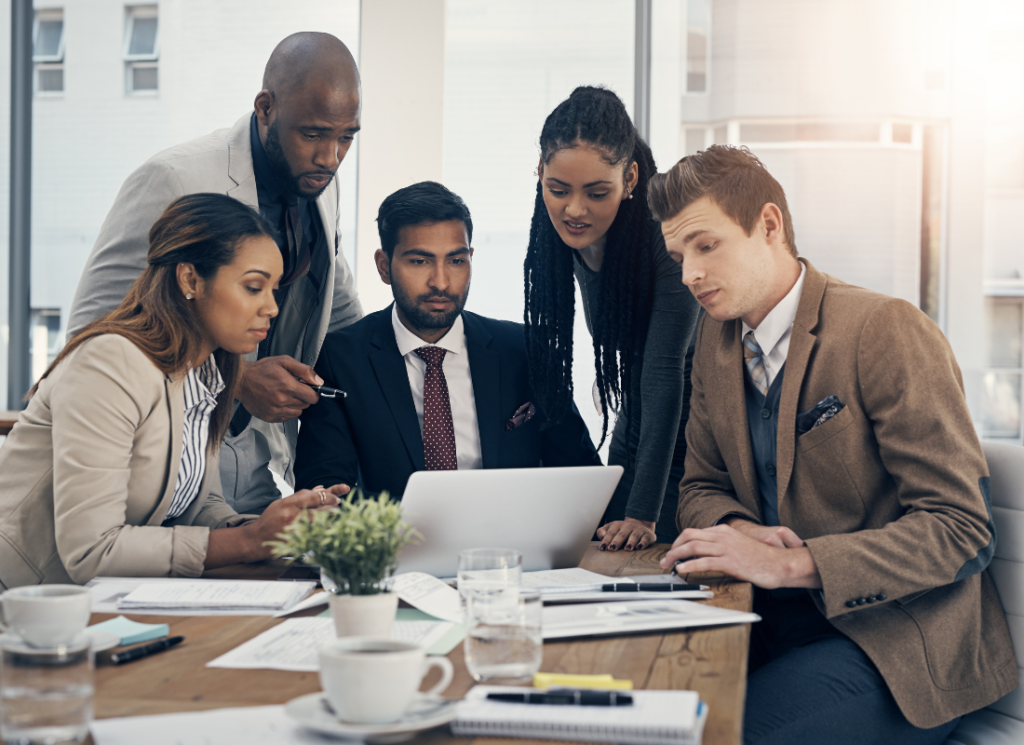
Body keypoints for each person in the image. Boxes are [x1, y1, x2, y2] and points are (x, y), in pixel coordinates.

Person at [649, 145, 1017, 744]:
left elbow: (960, 529)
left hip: (896, 641)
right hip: (767, 619)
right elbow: (700, 487)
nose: (688, 273)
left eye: (705, 245)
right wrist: (742, 533)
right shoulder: (713, 350)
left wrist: (793, 563)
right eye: (678, 255)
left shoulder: (884, 329)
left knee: (714, 737)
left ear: (769, 225)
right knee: (633, 708)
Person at [67, 32, 363, 514]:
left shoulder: (319, 182)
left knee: (297, 576)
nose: (330, 157)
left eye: (346, 137)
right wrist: (238, 380)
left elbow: (339, 304)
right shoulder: (173, 179)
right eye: (312, 134)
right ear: (265, 107)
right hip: (158, 460)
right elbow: (90, 336)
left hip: (251, 455)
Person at [0, 195, 345, 589]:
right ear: (190, 280)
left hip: (95, 603)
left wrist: (286, 528)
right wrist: (248, 541)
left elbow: (198, 508)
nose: (272, 308)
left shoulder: (207, 371)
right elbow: (91, 552)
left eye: (274, 291)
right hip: (21, 604)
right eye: (253, 287)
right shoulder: (110, 363)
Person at [294, 181, 602, 497]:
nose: (441, 282)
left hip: (509, 542)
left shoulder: (524, 349)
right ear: (384, 266)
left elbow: (583, 474)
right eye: (419, 261)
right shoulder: (340, 359)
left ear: (471, 258)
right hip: (399, 542)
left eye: (456, 261)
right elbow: (322, 492)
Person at [524, 86, 701, 551]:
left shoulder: (665, 240)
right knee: (598, 545)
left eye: (597, 193)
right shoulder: (562, 239)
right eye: (558, 189)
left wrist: (642, 514)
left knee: (647, 550)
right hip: (640, 420)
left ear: (630, 180)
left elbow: (665, 376)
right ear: (540, 172)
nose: (575, 210)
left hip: (703, 434)